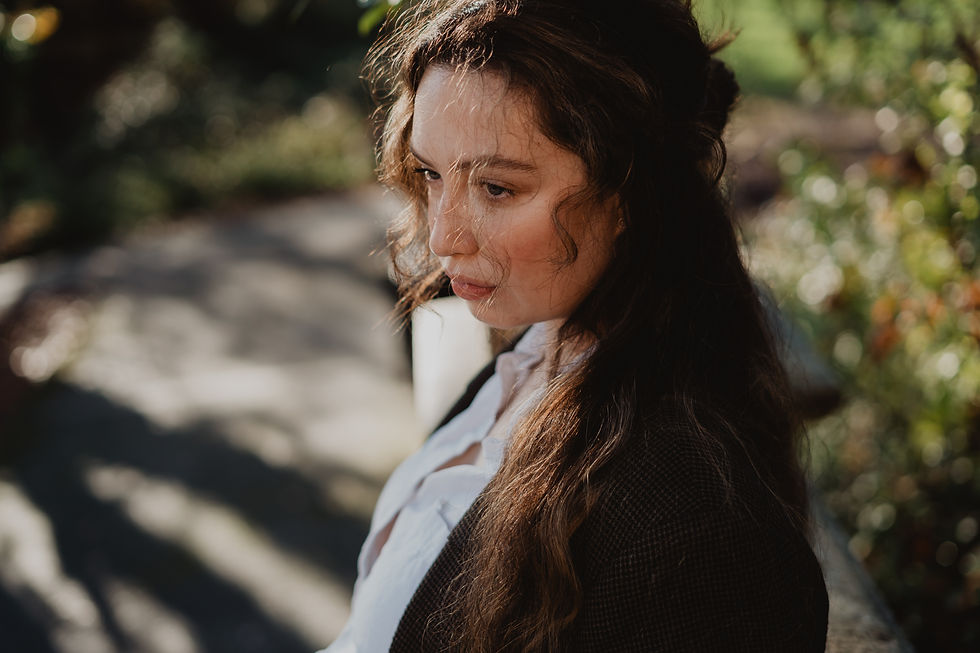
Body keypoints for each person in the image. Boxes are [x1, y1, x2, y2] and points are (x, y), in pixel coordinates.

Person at [321, 0, 829, 650]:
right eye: (430, 173)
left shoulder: (702, 534)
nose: (443, 238)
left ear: (629, 194)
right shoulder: (540, 349)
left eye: (497, 189)